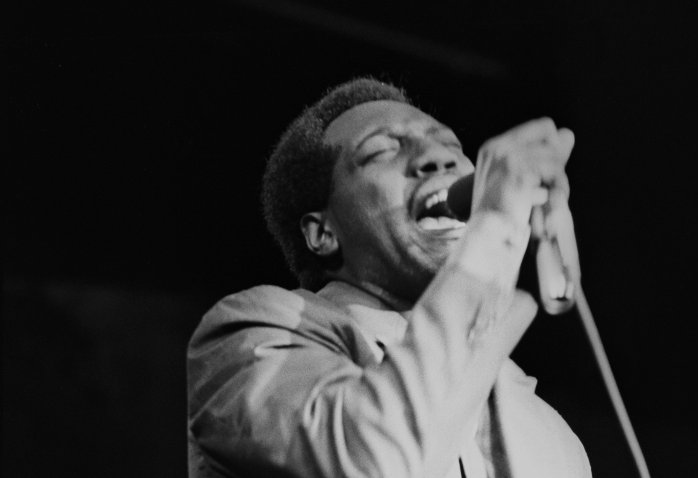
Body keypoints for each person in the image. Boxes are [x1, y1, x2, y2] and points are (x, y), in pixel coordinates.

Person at [186, 78, 591, 478]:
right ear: (323, 233)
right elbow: (371, 462)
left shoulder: (550, 433)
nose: (437, 158)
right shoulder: (254, 335)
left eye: (452, 148)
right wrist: (495, 229)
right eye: (380, 151)